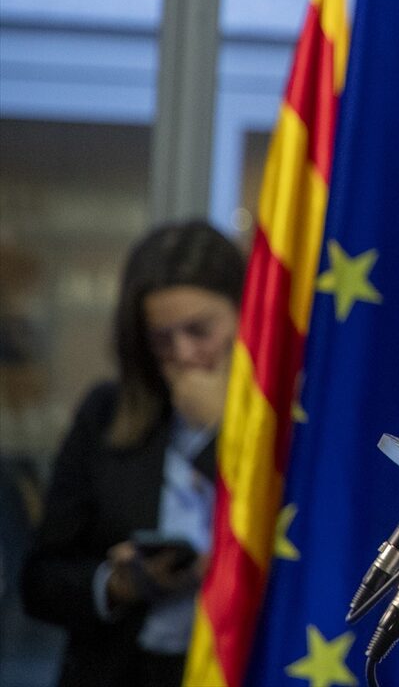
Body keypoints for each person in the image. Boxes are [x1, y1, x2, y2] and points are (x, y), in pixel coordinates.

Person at [21, 220, 244, 687]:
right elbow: (40, 579)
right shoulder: (107, 411)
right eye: (161, 339)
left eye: (199, 331)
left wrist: (222, 431)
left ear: (244, 316)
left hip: (237, 664)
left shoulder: (289, 420)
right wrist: (117, 583)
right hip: (124, 667)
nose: (183, 354)